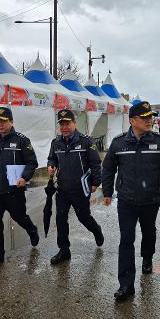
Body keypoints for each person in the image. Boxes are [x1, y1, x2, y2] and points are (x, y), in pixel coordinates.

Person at [102, 101, 160, 301]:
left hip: (150, 199)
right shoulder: (119, 143)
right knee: (126, 239)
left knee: (149, 232)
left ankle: (147, 257)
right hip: (126, 200)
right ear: (132, 121)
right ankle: (126, 285)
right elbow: (109, 168)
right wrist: (106, 191)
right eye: (144, 118)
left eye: (150, 117)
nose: (149, 121)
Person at [0, 107, 40, 268]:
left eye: (4, 121)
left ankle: (31, 229)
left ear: (11, 121)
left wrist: (24, 177)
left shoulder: (22, 140)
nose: (0, 124)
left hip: (14, 190)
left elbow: (32, 162)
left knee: (19, 217)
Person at [47, 109, 104, 264]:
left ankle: (96, 230)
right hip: (63, 188)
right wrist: (51, 165)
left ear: (74, 123)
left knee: (83, 217)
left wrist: (95, 183)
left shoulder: (86, 141)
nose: (64, 127)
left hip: (80, 189)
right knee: (60, 218)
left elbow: (95, 163)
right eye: (62, 124)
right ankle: (64, 250)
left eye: (67, 123)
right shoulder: (56, 142)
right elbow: (52, 158)